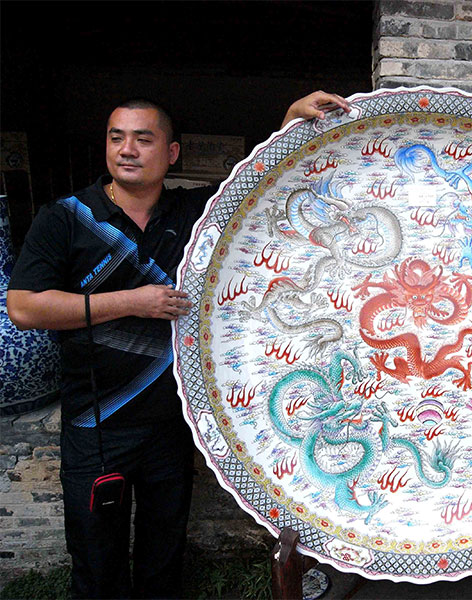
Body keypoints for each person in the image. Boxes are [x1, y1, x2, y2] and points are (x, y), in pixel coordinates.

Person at [6, 90, 349, 599]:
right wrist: (131, 301)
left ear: (171, 153)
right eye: (116, 138)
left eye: (143, 140)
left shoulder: (193, 212)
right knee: (96, 560)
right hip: (96, 422)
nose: (127, 149)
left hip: (172, 421)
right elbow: (24, 307)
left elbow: (261, 186)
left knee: (163, 554)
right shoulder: (67, 217)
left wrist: (289, 119)